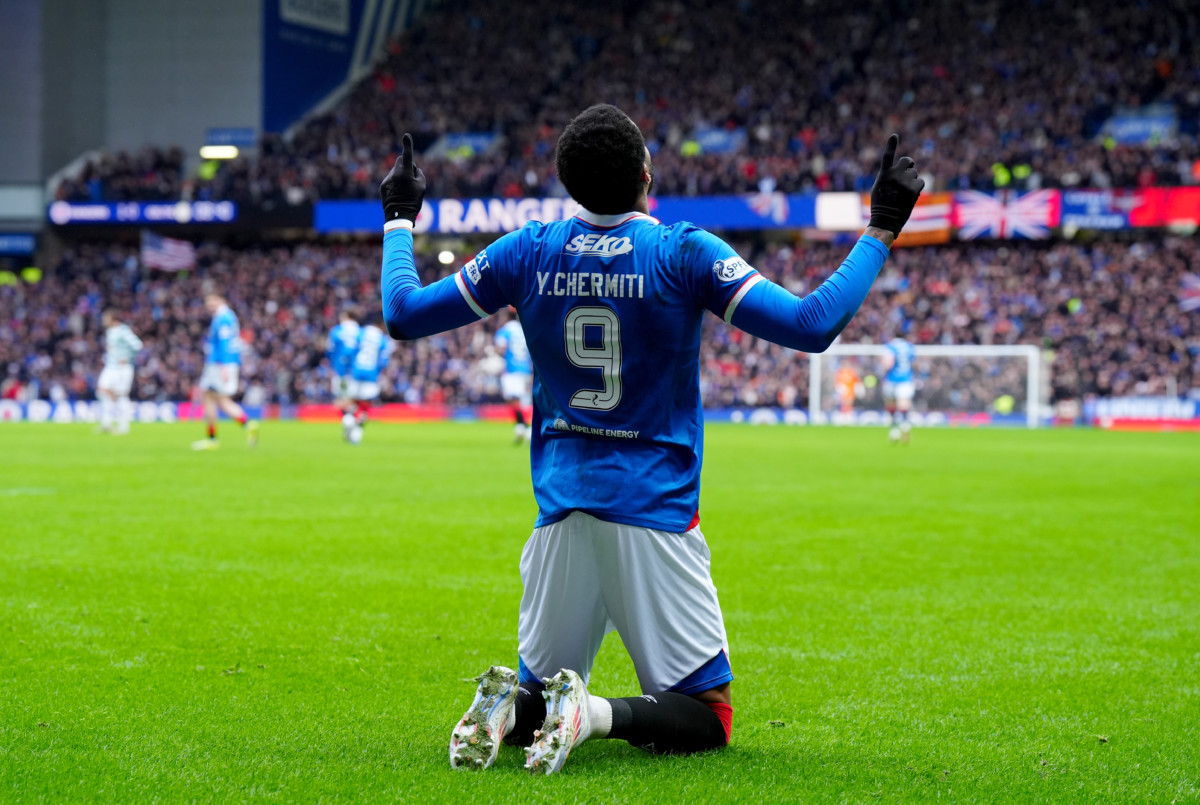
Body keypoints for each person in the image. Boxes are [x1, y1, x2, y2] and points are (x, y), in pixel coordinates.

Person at [377, 106, 923, 774]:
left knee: (538, 687)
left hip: (561, 511)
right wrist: (883, 225)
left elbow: (402, 313)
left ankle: (512, 707)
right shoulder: (682, 251)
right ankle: (595, 714)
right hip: (652, 512)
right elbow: (811, 324)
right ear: (646, 172)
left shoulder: (526, 250)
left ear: (567, 182)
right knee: (707, 714)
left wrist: (400, 215)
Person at [192, 292, 258, 450]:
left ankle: (213, 439)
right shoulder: (228, 317)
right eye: (207, 303)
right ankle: (247, 425)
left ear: (222, 300)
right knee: (220, 400)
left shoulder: (223, 318)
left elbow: (224, 343)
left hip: (218, 365)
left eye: (213, 302)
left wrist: (223, 367)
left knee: (209, 397)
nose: (210, 306)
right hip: (223, 364)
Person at [344, 317, 393, 443]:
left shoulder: (360, 333)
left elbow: (349, 352)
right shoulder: (383, 340)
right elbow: (384, 362)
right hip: (371, 375)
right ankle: (357, 433)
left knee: (352, 402)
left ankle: (348, 419)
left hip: (356, 372)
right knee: (365, 406)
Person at [96, 310, 143, 434]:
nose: (103, 320)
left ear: (112, 318)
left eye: (105, 318)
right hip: (110, 366)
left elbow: (137, 345)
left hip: (123, 368)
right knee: (102, 390)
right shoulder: (110, 331)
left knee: (121, 395)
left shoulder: (123, 330)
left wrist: (127, 357)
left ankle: (124, 426)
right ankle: (107, 423)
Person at [494, 309, 533, 443]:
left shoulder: (505, 331)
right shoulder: (523, 330)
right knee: (520, 400)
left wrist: (495, 351)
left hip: (512, 369)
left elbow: (501, 349)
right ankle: (521, 425)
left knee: (513, 399)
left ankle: (526, 428)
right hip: (526, 369)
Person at [326, 308, 362, 438]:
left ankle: (348, 419)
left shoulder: (336, 331)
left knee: (340, 399)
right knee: (355, 400)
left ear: (346, 316)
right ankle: (356, 421)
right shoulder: (361, 332)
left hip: (340, 370)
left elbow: (330, 351)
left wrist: (332, 366)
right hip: (356, 371)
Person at [881, 335, 916, 443]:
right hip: (906, 379)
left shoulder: (891, 347)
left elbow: (887, 364)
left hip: (892, 379)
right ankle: (905, 427)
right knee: (904, 404)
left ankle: (894, 431)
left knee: (891, 405)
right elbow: (914, 363)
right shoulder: (909, 347)